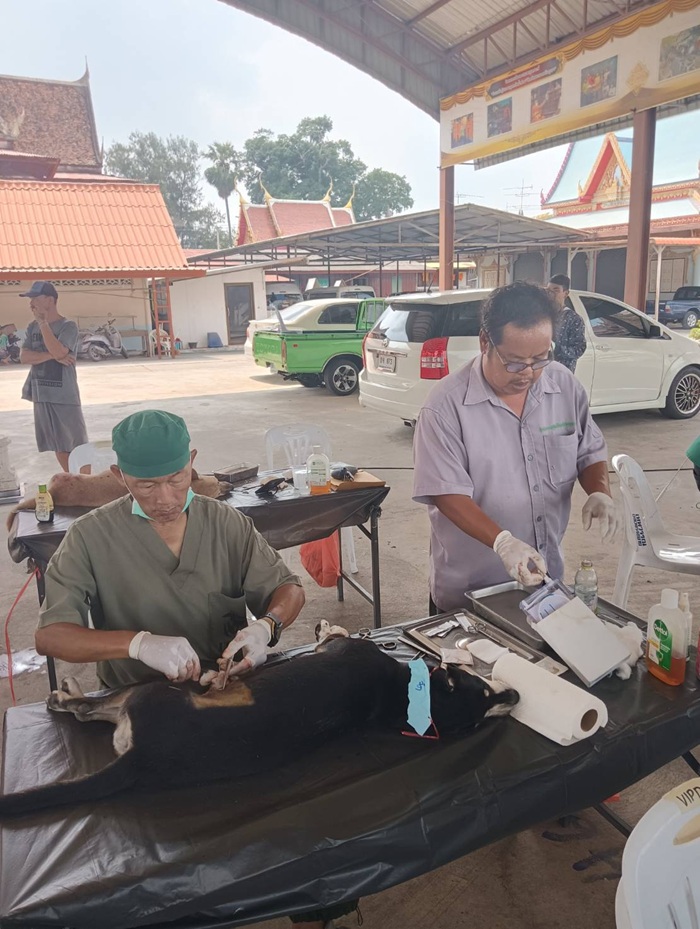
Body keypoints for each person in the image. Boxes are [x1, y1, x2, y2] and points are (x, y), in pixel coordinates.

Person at [34, 409, 355, 929]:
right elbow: (52, 635)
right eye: (146, 485)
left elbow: (288, 589)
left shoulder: (225, 523)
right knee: (160, 854)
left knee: (297, 821)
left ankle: (315, 913)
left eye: (176, 479)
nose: (164, 497)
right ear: (118, 475)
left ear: (193, 463)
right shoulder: (91, 538)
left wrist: (266, 627)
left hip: (228, 693)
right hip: (141, 707)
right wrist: (136, 644)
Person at [413, 281, 620, 613]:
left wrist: (599, 490)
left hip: (545, 583)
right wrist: (502, 542)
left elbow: (588, 449)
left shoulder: (563, 386)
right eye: (514, 362)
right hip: (471, 593)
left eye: (539, 359)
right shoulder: (445, 407)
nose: (527, 373)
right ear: (485, 342)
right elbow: (446, 493)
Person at [19, 281, 88, 471]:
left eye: (36, 298)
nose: (31, 303)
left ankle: (86, 482)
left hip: (64, 395)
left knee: (77, 443)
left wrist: (43, 324)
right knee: (58, 444)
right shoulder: (32, 327)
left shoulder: (68, 327)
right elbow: (24, 357)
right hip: (41, 394)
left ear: (50, 300)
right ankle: (71, 480)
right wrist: (52, 356)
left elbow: (59, 351)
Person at [547, 273, 587, 373]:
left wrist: (555, 348)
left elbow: (579, 349)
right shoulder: (541, 315)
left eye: (556, 290)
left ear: (566, 293)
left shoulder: (574, 319)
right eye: (548, 290)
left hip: (562, 372)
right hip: (541, 370)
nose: (551, 294)